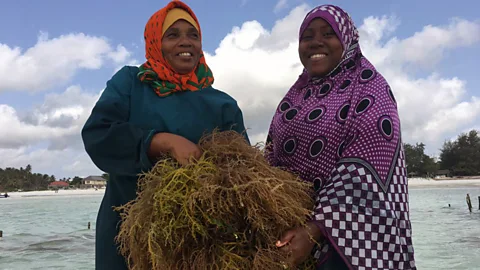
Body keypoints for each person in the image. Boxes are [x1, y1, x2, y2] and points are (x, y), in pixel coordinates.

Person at [81, 1, 249, 269]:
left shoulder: (223, 105)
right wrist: (161, 142)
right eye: (173, 35)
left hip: (198, 241)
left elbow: (244, 176)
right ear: (155, 42)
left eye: (193, 35)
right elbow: (98, 135)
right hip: (129, 235)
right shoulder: (131, 84)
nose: (185, 42)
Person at [266, 5, 416, 270]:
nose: (316, 42)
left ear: (347, 40)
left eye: (328, 33)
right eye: (307, 36)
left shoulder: (371, 89)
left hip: (352, 245)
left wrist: (314, 230)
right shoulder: (295, 96)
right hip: (288, 237)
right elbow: (271, 157)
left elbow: (363, 171)